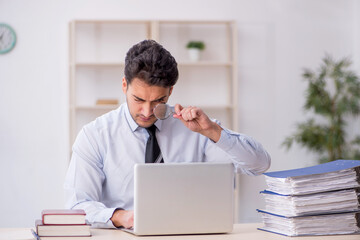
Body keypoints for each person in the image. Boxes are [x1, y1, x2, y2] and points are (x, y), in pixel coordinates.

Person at [64, 39, 271, 229]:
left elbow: (259, 164)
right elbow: (77, 206)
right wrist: (122, 217)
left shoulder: (195, 129)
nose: (146, 112)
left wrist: (213, 131)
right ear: (124, 85)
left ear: (170, 92)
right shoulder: (95, 135)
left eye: (158, 101)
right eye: (138, 99)